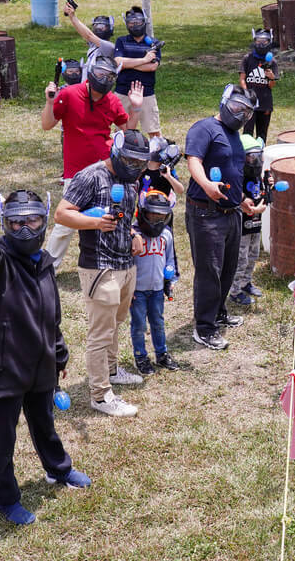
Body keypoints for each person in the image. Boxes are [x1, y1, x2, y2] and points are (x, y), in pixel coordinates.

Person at [0, 191, 91, 525]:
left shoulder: (46, 263)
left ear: (43, 220)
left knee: (45, 425)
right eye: (15, 222)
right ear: (5, 224)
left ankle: (58, 470)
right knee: (2, 440)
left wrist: (59, 355)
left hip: (40, 366)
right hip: (4, 371)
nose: (23, 229)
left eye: (31, 220)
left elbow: (51, 316)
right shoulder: (1, 262)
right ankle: (5, 498)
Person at [54, 130, 149, 417]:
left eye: (139, 163)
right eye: (129, 160)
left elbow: (121, 214)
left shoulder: (129, 180)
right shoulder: (90, 177)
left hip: (125, 264)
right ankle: (100, 394)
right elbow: (62, 214)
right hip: (100, 267)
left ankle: (111, 370)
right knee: (100, 332)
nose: (134, 167)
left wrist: (132, 232)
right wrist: (94, 223)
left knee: (115, 323)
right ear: (116, 153)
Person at [41, 56, 143, 268]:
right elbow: (47, 124)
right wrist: (50, 102)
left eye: (109, 76)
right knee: (65, 224)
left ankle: (108, 260)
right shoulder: (69, 94)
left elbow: (129, 133)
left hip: (105, 170)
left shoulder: (112, 101)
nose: (104, 79)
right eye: (100, 74)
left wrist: (136, 108)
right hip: (76, 172)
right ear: (91, 73)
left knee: (109, 217)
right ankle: (47, 269)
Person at [184, 85, 259, 350]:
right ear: (224, 103)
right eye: (238, 108)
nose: (241, 115)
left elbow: (233, 173)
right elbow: (193, 160)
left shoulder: (235, 136)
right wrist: (206, 184)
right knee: (209, 271)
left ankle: (218, 312)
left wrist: (241, 200)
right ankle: (204, 328)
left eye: (247, 113)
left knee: (227, 268)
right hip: (205, 212)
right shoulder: (204, 129)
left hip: (232, 213)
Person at [130, 189, 180, 375]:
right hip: (138, 291)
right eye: (152, 215)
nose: (156, 220)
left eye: (161, 216)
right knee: (139, 325)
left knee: (158, 322)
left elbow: (170, 260)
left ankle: (162, 354)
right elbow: (127, 264)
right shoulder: (134, 234)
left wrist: (170, 280)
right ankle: (140, 357)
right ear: (143, 213)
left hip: (157, 289)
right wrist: (128, 289)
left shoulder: (166, 234)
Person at [141, 136, 185, 298]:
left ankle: (171, 277)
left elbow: (180, 190)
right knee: (145, 243)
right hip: (144, 214)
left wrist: (168, 176)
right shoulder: (142, 169)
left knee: (167, 245)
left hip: (164, 215)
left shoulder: (167, 170)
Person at [229, 134, 268, 306]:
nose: (256, 161)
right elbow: (237, 201)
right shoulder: (237, 178)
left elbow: (264, 196)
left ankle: (246, 282)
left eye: (258, 156)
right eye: (251, 157)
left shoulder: (258, 177)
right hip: (242, 227)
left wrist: (270, 186)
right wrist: (254, 209)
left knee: (253, 255)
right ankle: (235, 291)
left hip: (256, 224)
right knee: (241, 258)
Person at [114, 6, 162, 139]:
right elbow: (118, 62)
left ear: (144, 21)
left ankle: (156, 157)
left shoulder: (153, 43)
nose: (135, 25)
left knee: (154, 131)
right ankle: (121, 158)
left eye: (138, 22)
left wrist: (128, 64)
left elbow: (152, 67)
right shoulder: (121, 41)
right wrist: (144, 60)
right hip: (123, 91)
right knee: (121, 131)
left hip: (146, 92)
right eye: (131, 22)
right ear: (126, 23)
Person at [239, 28, 278, 142]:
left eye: (264, 41)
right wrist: (247, 94)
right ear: (254, 41)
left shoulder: (272, 62)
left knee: (262, 134)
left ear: (269, 42)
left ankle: (260, 155)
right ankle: (246, 156)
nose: (261, 44)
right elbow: (242, 79)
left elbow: (271, 85)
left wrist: (271, 77)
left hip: (265, 103)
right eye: (258, 41)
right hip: (249, 103)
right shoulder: (247, 58)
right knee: (247, 133)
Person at [63, 1, 115, 78]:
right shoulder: (94, 44)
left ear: (109, 29)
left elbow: (89, 35)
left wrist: (73, 16)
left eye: (102, 26)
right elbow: (83, 32)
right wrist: (71, 16)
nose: (99, 29)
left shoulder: (109, 47)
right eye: (96, 26)